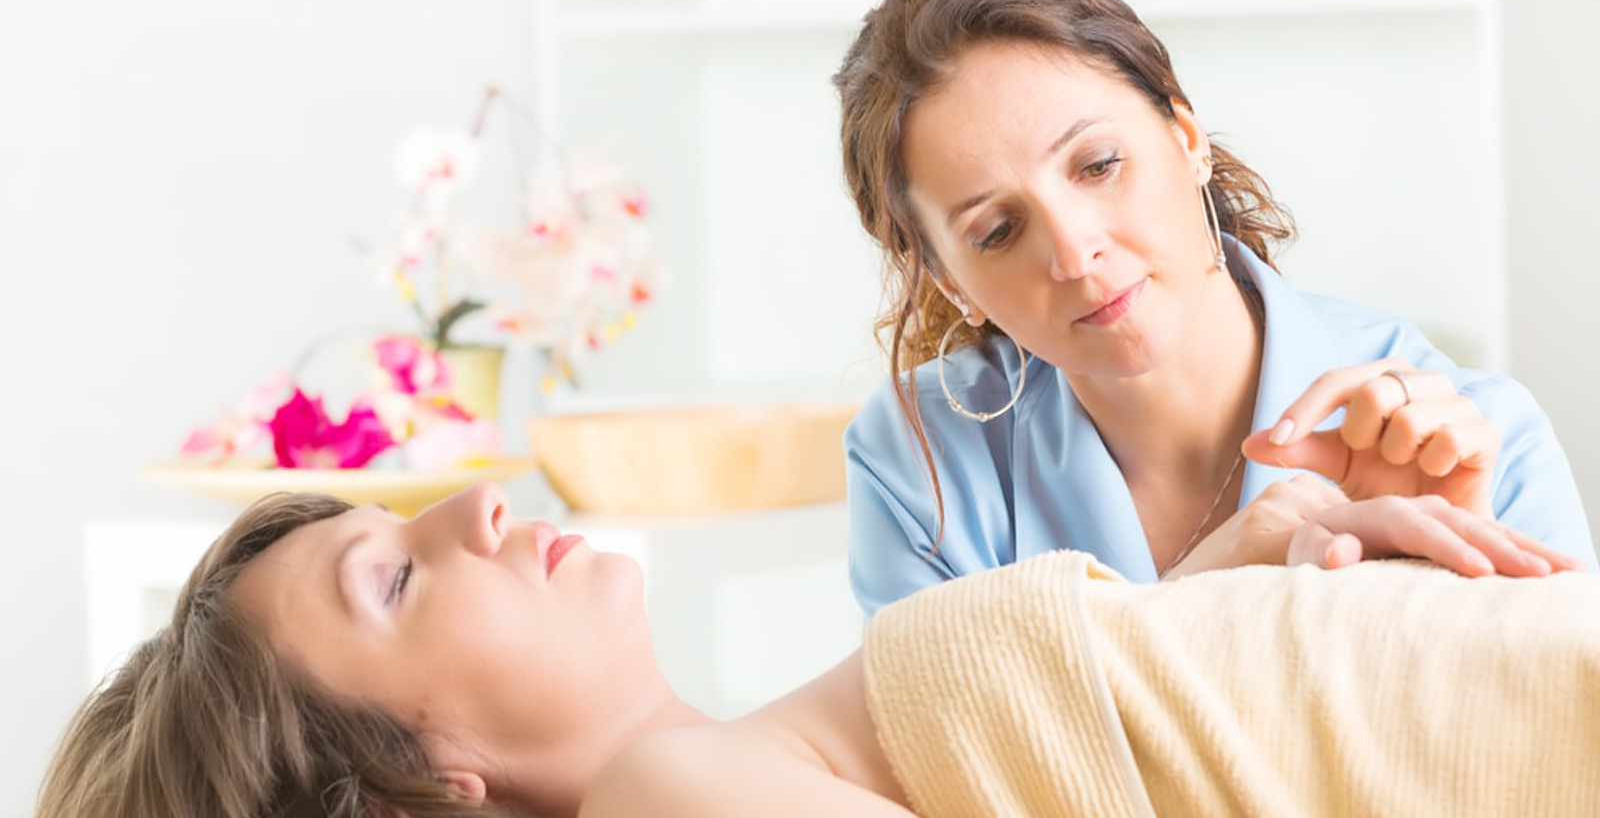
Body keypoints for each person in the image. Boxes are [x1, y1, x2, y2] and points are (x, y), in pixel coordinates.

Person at [35, 482, 1600, 818]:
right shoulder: (662, 794)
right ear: (427, 787)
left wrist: (1207, 591)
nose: (474, 503)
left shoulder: (731, 762)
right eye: (395, 579)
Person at [832, 0, 1595, 613]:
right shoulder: (917, 460)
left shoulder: (1477, 441)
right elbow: (934, 778)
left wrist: (1461, 602)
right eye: (997, 230)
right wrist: (1199, 594)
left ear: (1187, 137)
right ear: (949, 282)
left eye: (1098, 165)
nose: (1074, 253)